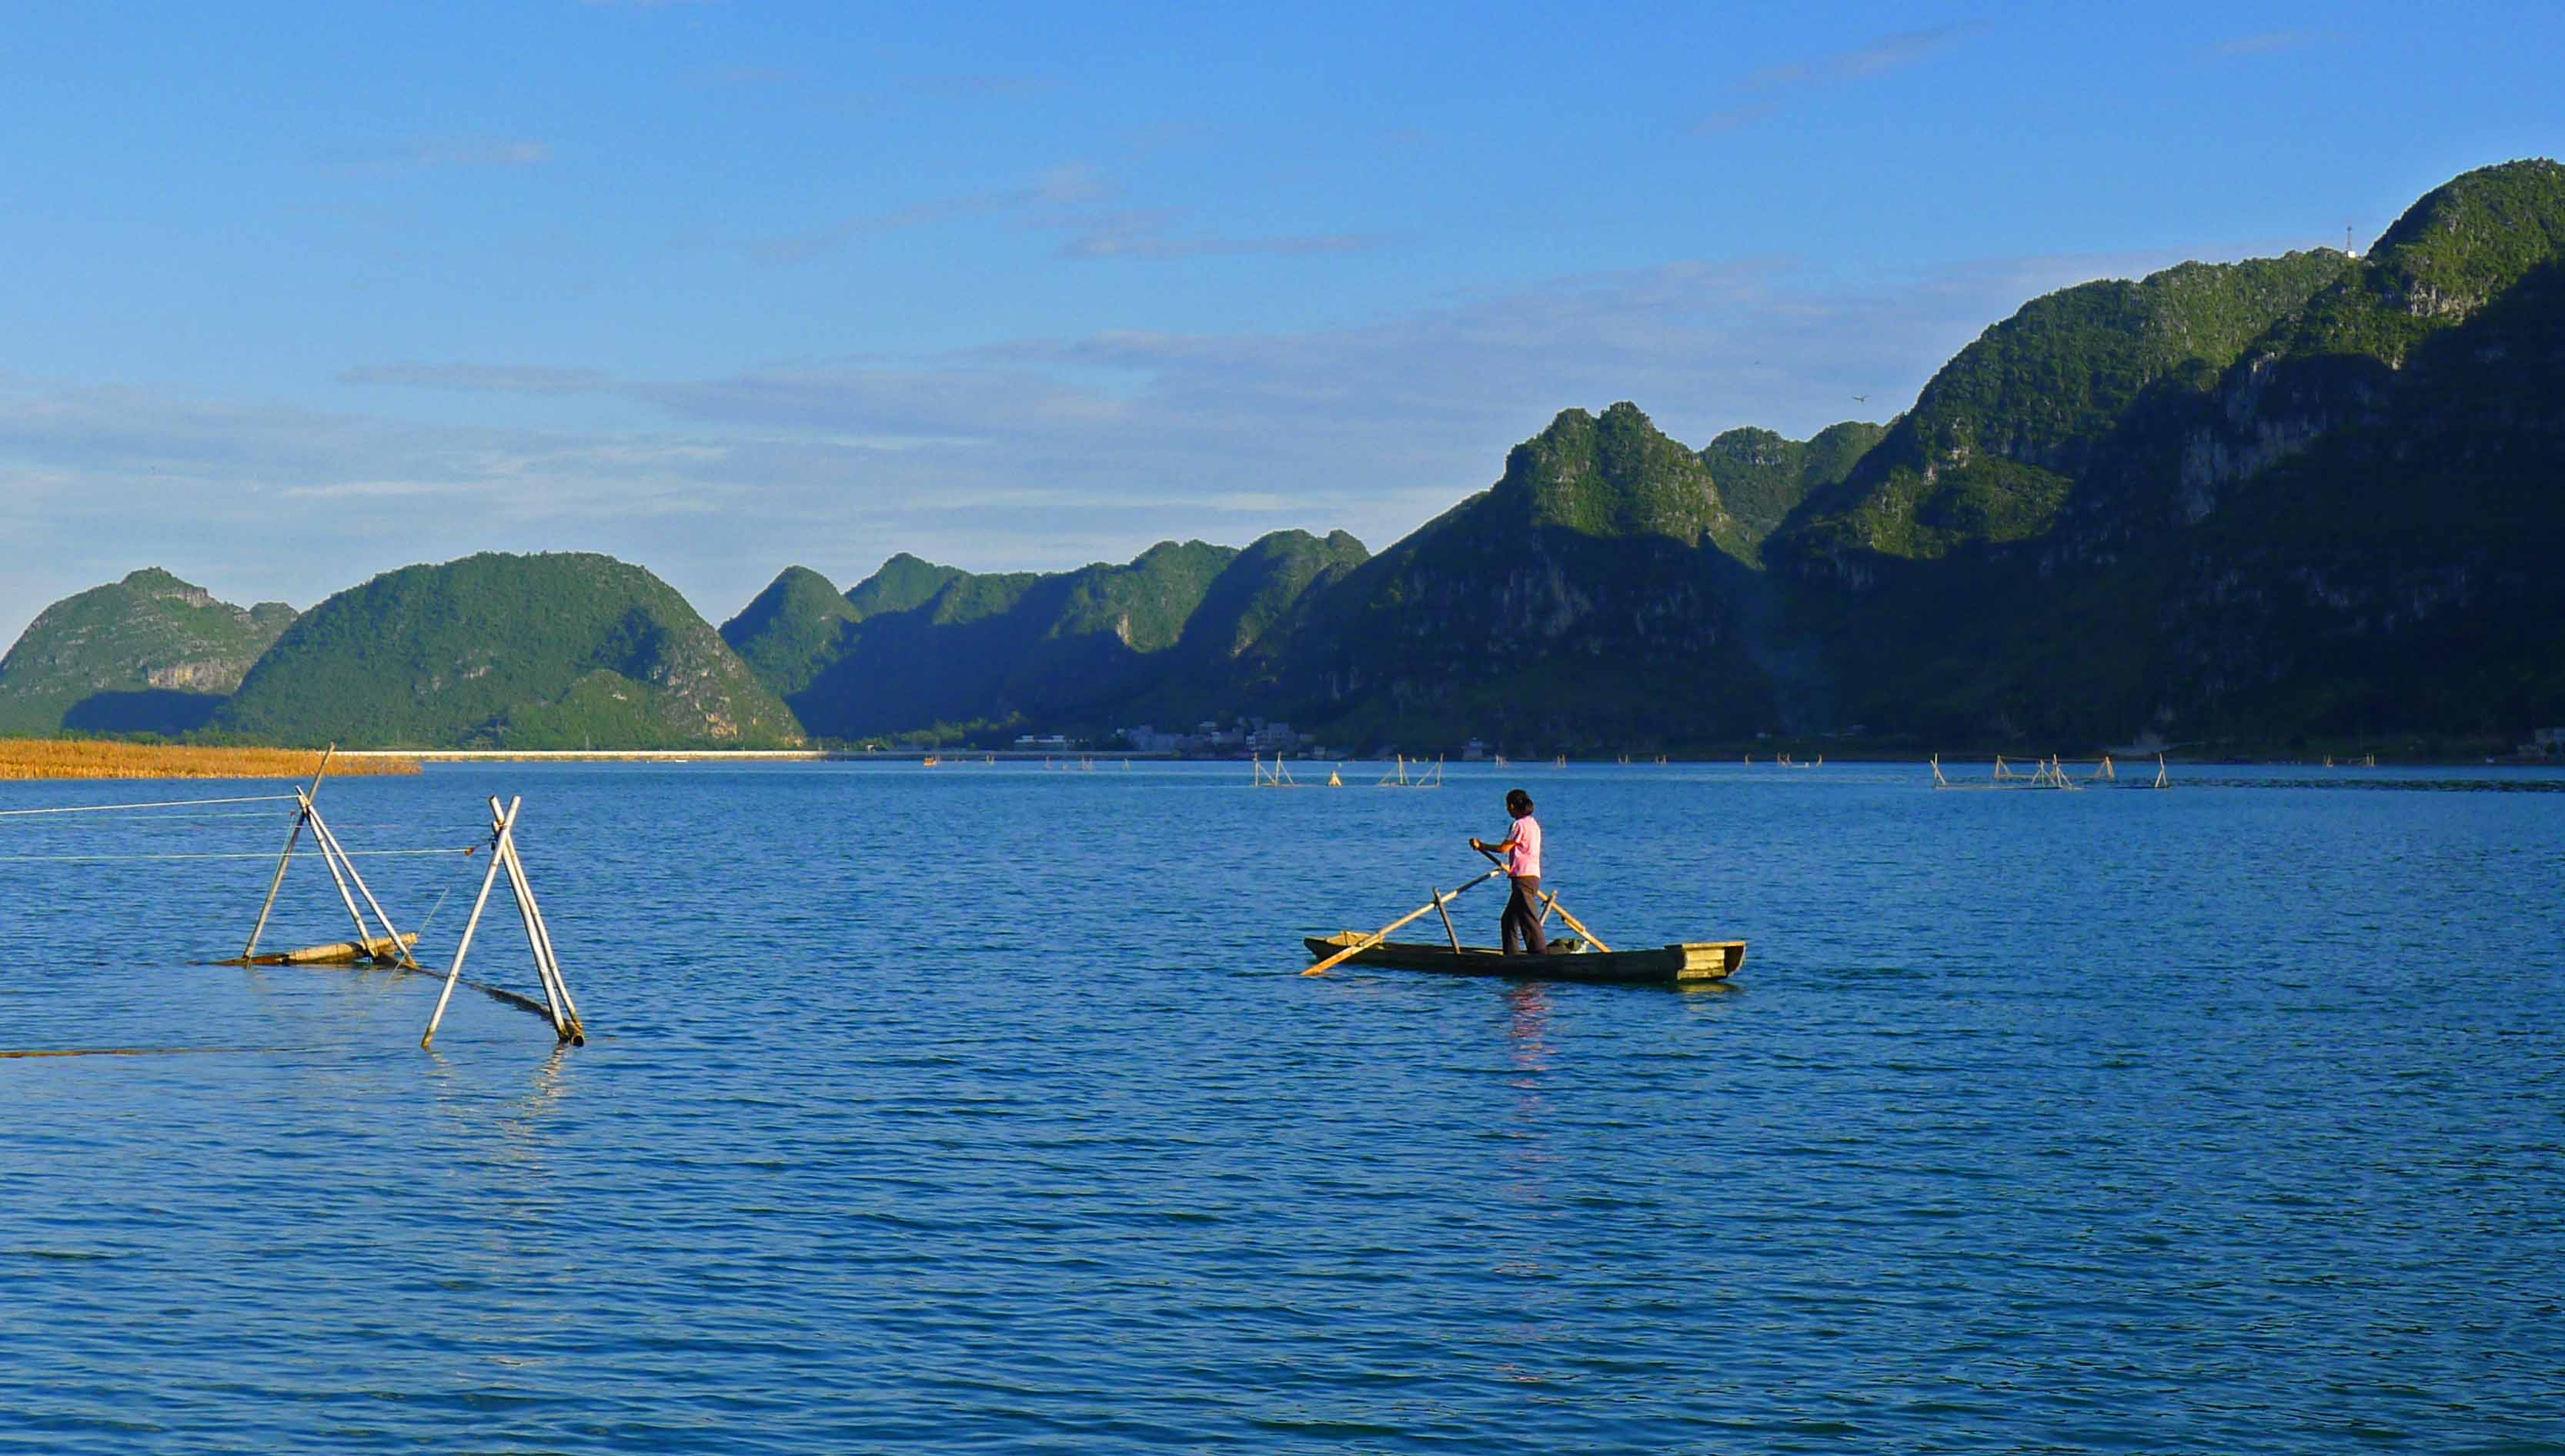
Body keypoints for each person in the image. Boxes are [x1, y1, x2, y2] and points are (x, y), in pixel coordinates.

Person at [1469, 789, 1547, 956]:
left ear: (1512, 806)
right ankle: (1512, 956)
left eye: (1507, 806)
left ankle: (1541, 957)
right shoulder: (1533, 824)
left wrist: (1481, 845)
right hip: (1531, 877)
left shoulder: (1519, 825)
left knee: (1529, 920)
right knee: (1509, 920)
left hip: (1523, 878)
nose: (1507, 809)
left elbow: (1504, 848)